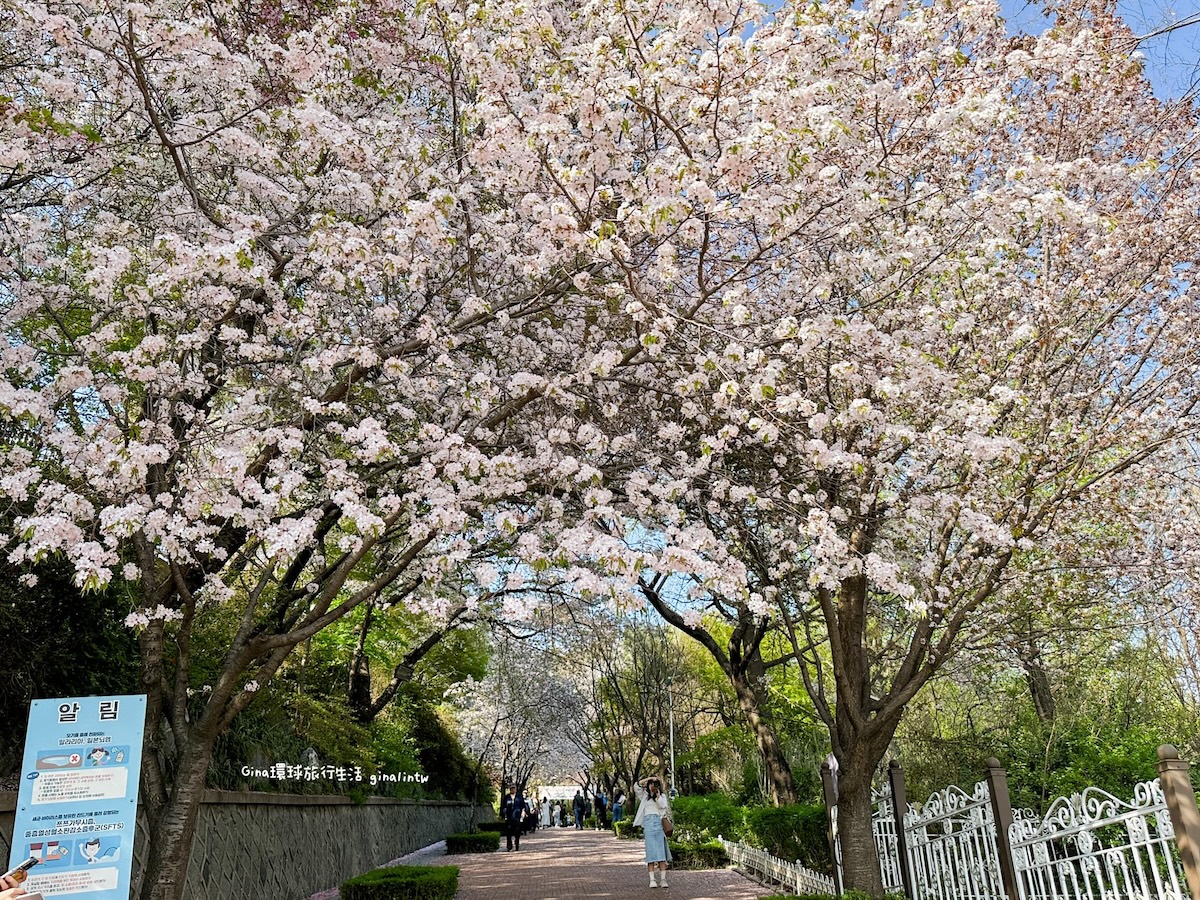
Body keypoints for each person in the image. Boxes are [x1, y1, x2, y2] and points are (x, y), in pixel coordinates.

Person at [634, 775, 672, 888]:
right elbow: (636, 786)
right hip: (648, 825)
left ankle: (663, 879)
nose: (652, 787)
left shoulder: (662, 797)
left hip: (658, 824)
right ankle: (652, 880)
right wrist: (650, 778)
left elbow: (663, 806)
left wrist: (658, 796)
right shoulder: (644, 796)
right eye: (651, 784)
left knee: (661, 854)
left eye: (654, 785)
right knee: (650, 853)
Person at [500, 784, 528, 851]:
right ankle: (509, 846)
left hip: (517, 817)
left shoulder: (519, 797)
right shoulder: (506, 797)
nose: (513, 789)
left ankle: (517, 844)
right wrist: (503, 814)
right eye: (511, 788)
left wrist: (523, 814)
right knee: (508, 832)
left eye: (514, 788)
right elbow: (503, 807)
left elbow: (523, 806)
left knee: (517, 832)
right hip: (509, 817)